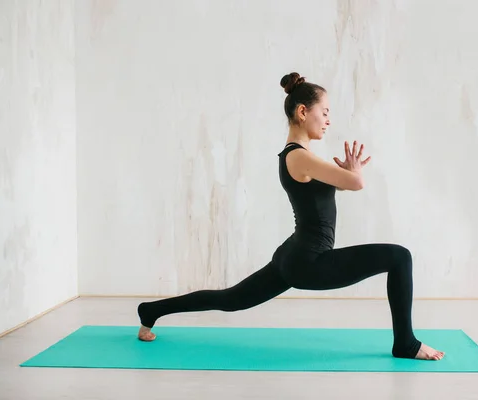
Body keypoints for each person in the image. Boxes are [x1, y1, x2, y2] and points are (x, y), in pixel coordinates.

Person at [137, 72, 445, 361]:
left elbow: (336, 190)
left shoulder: (299, 156)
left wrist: (347, 176)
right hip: (309, 262)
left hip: (294, 255)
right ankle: (405, 343)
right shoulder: (299, 156)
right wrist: (353, 174)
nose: (328, 120)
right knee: (399, 257)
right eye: (324, 111)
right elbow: (357, 183)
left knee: (229, 300)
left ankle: (150, 311)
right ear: (302, 112)